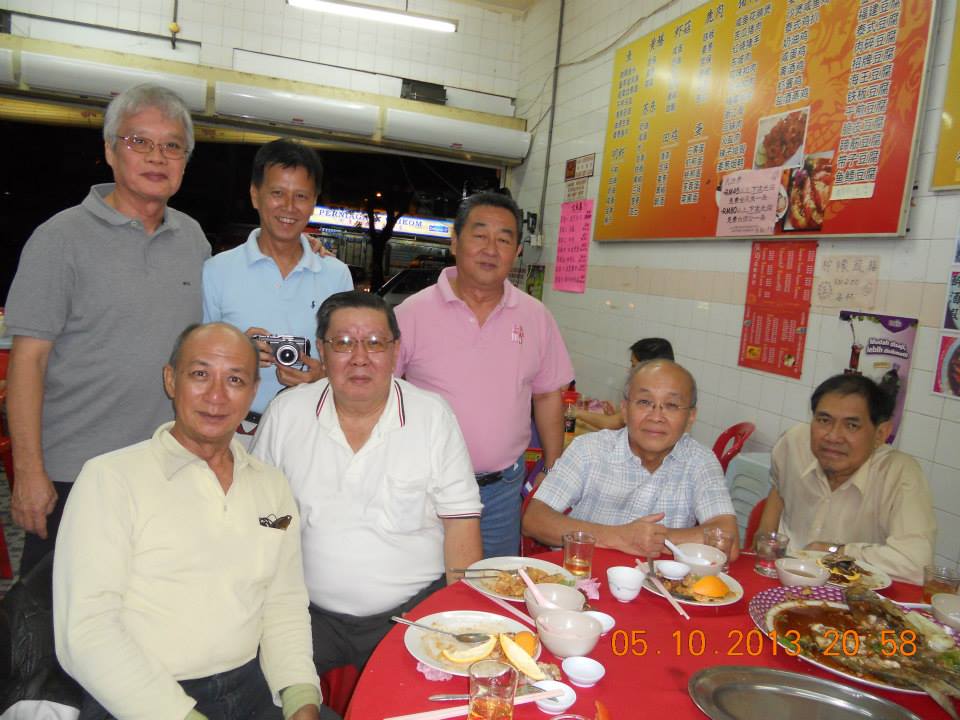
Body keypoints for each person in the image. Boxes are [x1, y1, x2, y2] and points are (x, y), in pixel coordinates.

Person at [53, 323, 333, 720]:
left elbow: (283, 602)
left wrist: (300, 696)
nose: (216, 396)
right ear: (171, 380)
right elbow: (86, 631)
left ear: (253, 391)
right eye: (200, 374)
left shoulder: (271, 485)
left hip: (249, 688)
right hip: (139, 696)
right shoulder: (111, 479)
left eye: (235, 380)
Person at [5, 84, 210, 575]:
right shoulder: (59, 239)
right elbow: (28, 362)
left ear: (184, 162)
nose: (157, 157)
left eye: (172, 146)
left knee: (149, 604)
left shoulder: (193, 240)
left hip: (165, 469)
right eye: (140, 141)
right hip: (75, 473)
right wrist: (29, 472)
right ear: (110, 151)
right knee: (57, 610)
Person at [251, 291, 482, 676]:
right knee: (262, 690)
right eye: (343, 343)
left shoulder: (432, 416)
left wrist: (458, 622)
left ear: (395, 351)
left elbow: (461, 524)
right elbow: (261, 516)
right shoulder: (286, 412)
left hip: (411, 613)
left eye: (375, 343)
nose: (359, 357)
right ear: (322, 351)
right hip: (304, 613)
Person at [394, 191, 574, 557]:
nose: (491, 249)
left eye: (504, 240)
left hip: (501, 493)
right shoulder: (410, 313)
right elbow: (381, 396)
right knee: (424, 584)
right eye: (479, 236)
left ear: (517, 251)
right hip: (424, 489)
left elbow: (546, 395)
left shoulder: (536, 316)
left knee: (493, 585)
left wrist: (552, 469)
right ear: (455, 241)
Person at [202, 139, 353, 442]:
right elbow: (199, 359)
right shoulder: (217, 270)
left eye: (301, 196)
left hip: (309, 433)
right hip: (232, 433)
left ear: (313, 202)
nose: (289, 207)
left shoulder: (336, 275)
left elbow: (350, 360)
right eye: (277, 193)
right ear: (255, 195)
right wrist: (238, 352)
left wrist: (322, 376)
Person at [523, 360, 738, 559]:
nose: (656, 416)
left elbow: (729, 539)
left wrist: (653, 538)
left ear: (691, 416)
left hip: (659, 583)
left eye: (671, 405)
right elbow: (534, 520)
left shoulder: (700, 461)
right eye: (644, 402)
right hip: (584, 575)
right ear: (624, 410)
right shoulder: (589, 449)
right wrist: (619, 536)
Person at [757, 374, 935, 584]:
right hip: (783, 578)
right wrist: (763, 546)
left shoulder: (899, 473)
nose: (833, 437)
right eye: (824, 420)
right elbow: (778, 492)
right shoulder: (793, 444)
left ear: (880, 433)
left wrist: (835, 552)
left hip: (852, 593)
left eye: (851, 426)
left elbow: (916, 564)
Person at [575, 338, 674, 431]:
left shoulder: (651, 396)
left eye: (634, 365)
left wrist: (575, 412)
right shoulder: (668, 388)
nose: (629, 370)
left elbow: (610, 424)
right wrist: (618, 416)